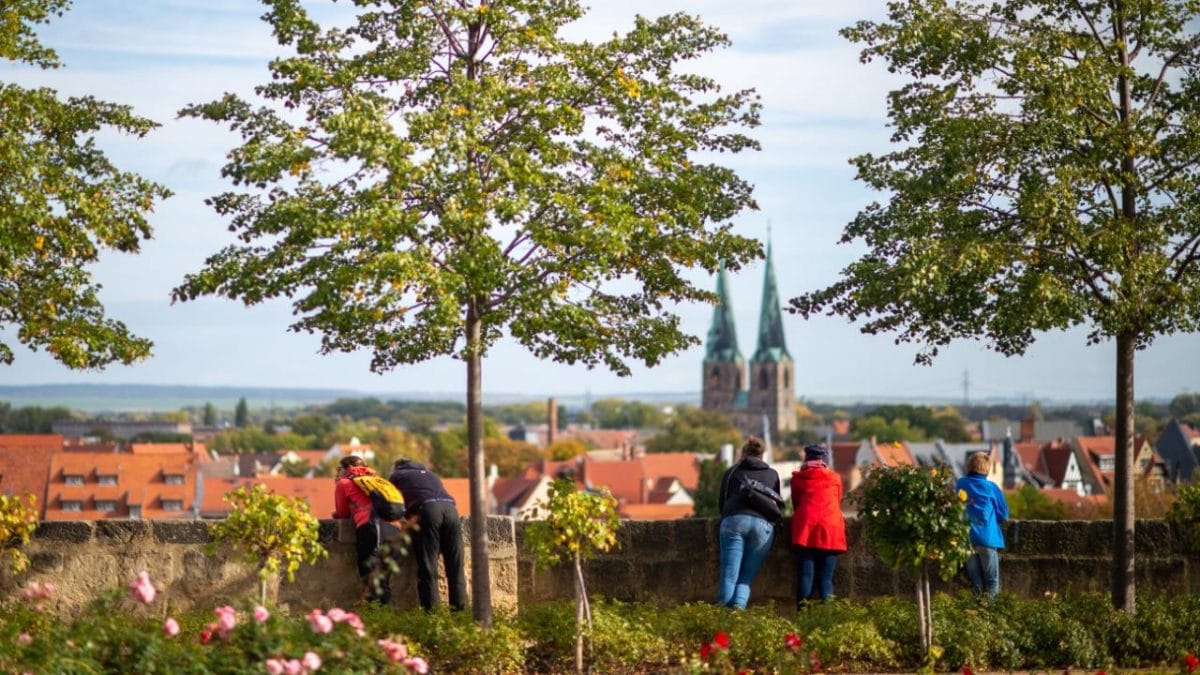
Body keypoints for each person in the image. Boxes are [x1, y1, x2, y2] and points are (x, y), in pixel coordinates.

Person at [389, 459, 468, 611]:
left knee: (428, 567)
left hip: (428, 510)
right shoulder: (431, 475)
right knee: (455, 567)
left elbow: (392, 503)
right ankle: (461, 614)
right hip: (451, 510)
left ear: (396, 467)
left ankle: (432, 615)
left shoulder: (397, 475)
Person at [716, 436, 781, 609]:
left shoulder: (731, 472)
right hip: (763, 525)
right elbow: (775, 504)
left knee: (729, 575)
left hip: (735, 520)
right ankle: (738, 610)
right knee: (746, 577)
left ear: (743, 453)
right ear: (762, 454)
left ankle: (724, 618)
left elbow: (721, 504)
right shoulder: (772, 474)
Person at [790, 444, 847, 608]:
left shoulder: (798, 479)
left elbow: (796, 504)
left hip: (805, 531)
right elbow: (837, 501)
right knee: (826, 578)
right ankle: (827, 617)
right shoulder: (835, 478)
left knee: (806, 575)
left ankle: (802, 616)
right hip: (831, 529)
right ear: (824, 460)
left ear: (807, 459)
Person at [332, 455, 390, 603]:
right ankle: (388, 616)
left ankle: (375, 615)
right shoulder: (376, 479)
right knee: (383, 573)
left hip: (369, 526)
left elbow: (342, 513)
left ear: (347, 468)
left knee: (368, 570)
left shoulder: (344, 483)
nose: (337, 473)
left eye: (339, 469)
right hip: (390, 527)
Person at [956, 451, 1009, 600]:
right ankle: (989, 617)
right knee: (992, 582)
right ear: (986, 468)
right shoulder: (992, 487)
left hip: (967, 540)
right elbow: (1003, 514)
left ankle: (975, 614)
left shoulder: (961, 483)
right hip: (987, 539)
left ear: (969, 466)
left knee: (976, 584)